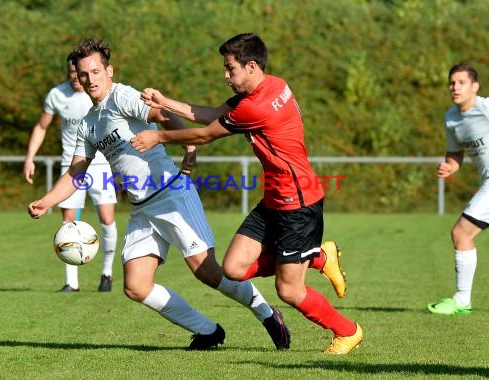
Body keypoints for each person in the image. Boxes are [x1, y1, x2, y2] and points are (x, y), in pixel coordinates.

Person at [28, 37, 291, 350]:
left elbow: (160, 114)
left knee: (206, 271)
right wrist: (46, 201)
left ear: (109, 71)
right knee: (136, 285)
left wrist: (188, 146)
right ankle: (208, 331)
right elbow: (76, 172)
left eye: (95, 71)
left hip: (171, 193)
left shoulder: (121, 96)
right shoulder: (88, 123)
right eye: (83, 74)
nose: (89, 79)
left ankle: (266, 313)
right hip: (142, 207)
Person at [131, 32, 362, 354]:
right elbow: (211, 114)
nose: (226, 76)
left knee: (289, 290)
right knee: (234, 269)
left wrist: (158, 138)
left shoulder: (256, 106)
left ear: (251, 66)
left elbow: (205, 134)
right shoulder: (273, 85)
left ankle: (347, 330)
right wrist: (165, 101)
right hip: (274, 199)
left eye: (230, 69)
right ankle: (318, 256)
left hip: (298, 202)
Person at [24, 52, 118, 293]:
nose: (77, 78)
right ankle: (71, 282)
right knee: (69, 223)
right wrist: (30, 157)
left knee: (107, 219)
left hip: (101, 166)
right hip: (72, 167)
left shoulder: (99, 92)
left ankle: (106, 274)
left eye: (81, 74)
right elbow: (41, 126)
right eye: (73, 74)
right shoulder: (57, 94)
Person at [427, 64, 489, 315]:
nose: (455, 87)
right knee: (461, 235)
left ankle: (462, 299)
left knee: (461, 233)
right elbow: (455, 154)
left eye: (461, 82)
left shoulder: (487, 109)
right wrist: (450, 167)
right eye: (452, 83)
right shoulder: (451, 118)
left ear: (475, 86)